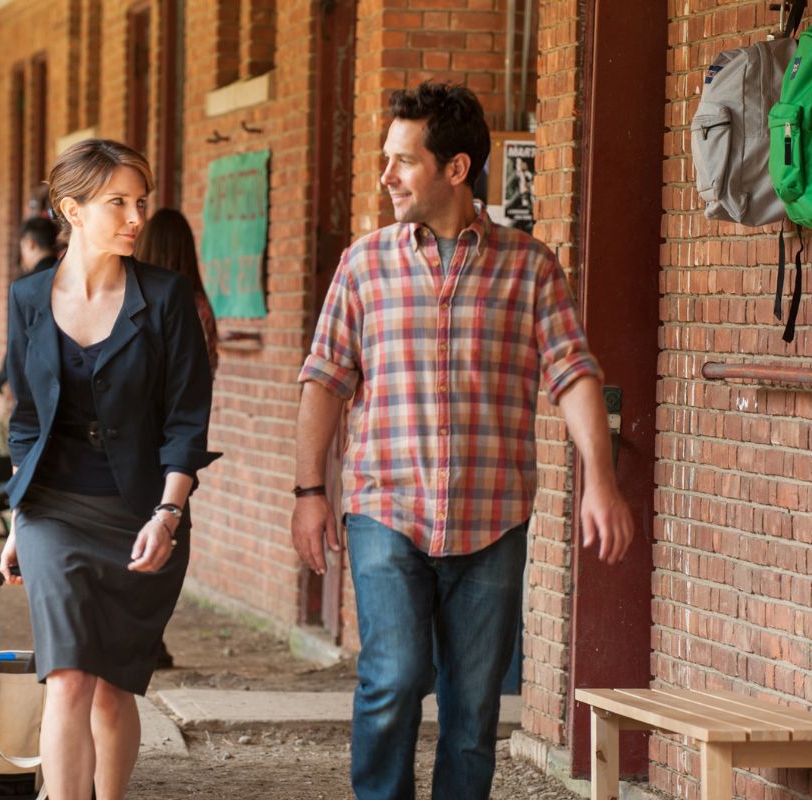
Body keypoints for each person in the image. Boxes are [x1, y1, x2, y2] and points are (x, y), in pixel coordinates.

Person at [290, 82, 634, 800]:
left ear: (455, 169)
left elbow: (572, 373)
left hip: (491, 518)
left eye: (402, 161)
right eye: (387, 160)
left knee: (473, 715)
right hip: (387, 508)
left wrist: (599, 480)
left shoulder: (530, 267)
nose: (386, 176)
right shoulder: (363, 264)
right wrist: (310, 491)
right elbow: (324, 379)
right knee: (393, 678)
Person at [0, 138, 218, 800]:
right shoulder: (29, 299)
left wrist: (169, 512)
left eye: (140, 202)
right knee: (66, 676)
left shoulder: (168, 298)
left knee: (115, 690)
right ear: (72, 209)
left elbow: (187, 420)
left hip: (141, 513)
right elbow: (26, 421)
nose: (135, 217)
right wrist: (17, 515)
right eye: (117, 202)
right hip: (54, 511)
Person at [133, 208, 219, 670]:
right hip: (177, 442)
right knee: (168, 529)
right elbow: (205, 373)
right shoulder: (199, 305)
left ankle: (141, 637)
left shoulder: (138, 300)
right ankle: (149, 636)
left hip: (141, 437)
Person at [134, 208, 219, 376]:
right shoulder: (199, 307)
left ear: (145, 245)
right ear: (187, 250)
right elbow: (208, 367)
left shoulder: (129, 299)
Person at [0, 216, 64, 394]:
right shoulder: (69, 277)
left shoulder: (24, 286)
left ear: (29, 243)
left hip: (34, 379)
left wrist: (4, 376)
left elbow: (18, 340)